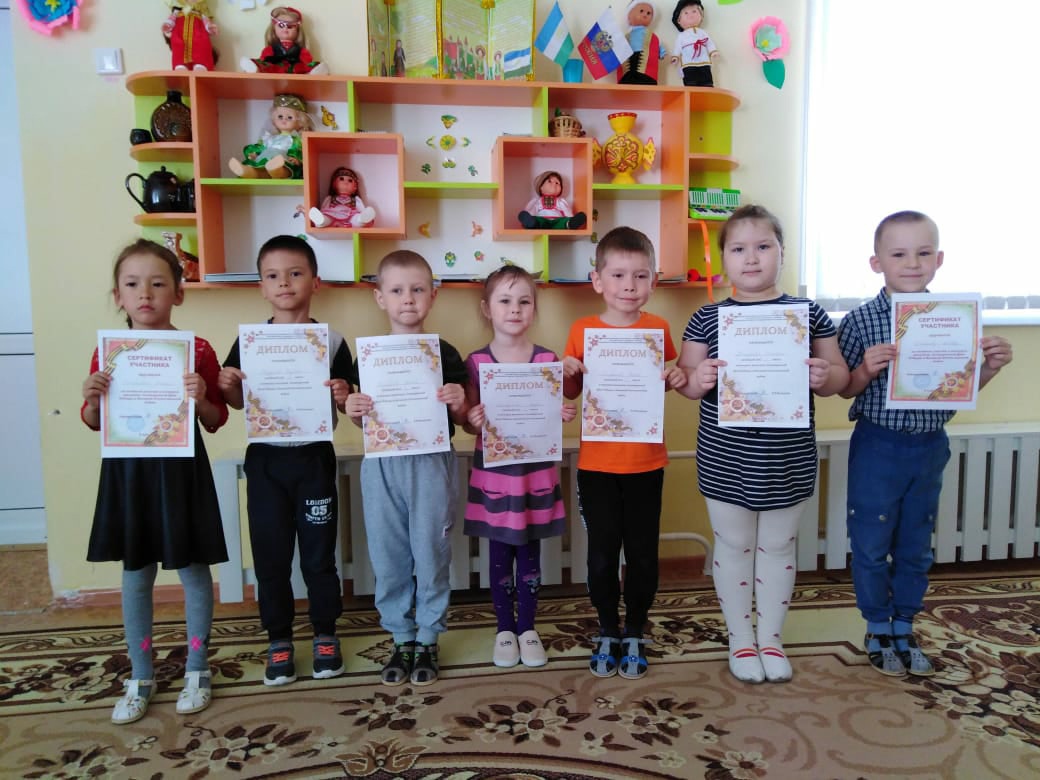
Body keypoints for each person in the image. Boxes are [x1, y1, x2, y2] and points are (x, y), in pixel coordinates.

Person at [677, 205, 849, 684]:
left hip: (787, 457)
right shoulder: (707, 317)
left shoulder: (808, 315)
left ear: (782, 252)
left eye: (763, 246)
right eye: (738, 249)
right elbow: (685, 381)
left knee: (778, 546)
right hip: (725, 457)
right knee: (732, 545)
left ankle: (770, 638)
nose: (751, 258)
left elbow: (839, 377)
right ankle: (740, 639)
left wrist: (825, 375)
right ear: (723, 260)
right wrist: (698, 378)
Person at [837, 210, 1013, 678]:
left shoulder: (956, 319)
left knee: (916, 542)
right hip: (877, 445)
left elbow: (960, 388)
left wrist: (990, 367)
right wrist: (866, 369)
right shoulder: (859, 321)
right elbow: (844, 389)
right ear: (877, 263)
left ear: (939, 259)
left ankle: (904, 625)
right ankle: (876, 626)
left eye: (922, 253)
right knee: (871, 540)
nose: (911, 263)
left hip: (930, 445)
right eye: (898, 254)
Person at [81, 238, 229, 724]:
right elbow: (94, 421)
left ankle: (197, 668)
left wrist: (201, 397)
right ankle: (141, 674)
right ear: (118, 295)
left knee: (193, 569)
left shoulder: (197, 350)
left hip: (182, 471)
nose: (145, 293)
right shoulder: (108, 353)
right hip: (130, 474)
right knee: (136, 570)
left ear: (178, 293)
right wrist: (92, 399)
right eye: (132, 284)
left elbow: (216, 420)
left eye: (158, 283)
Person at [217, 235, 352, 687]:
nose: (284, 283)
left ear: (315, 281)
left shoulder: (332, 341)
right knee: (270, 556)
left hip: (314, 458)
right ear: (261, 286)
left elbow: (348, 400)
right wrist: (229, 384)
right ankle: (278, 638)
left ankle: (325, 634)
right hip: (266, 461)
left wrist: (343, 392)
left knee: (319, 555)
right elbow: (237, 402)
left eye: (295, 273)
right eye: (273, 275)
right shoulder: (249, 341)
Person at [563, 226, 687, 680]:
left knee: (642, 554)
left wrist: (674, 378)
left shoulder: (658, 329)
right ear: (597, 280)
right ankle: (606, 628)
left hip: (646, 463)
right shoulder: (583, 330)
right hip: (597, 467)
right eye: (617, 275)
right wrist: (568, 370)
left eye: (640, 275)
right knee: (601, 555)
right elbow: (571, 393)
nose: (629, 286)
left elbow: (658, 383)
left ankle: (634, 628)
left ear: (654, 280)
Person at [344, 250, 470, 686]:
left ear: (433, 295)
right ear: (380, 298)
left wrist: (459, 401)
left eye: (418, 289)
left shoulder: (444, 354)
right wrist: (354, 410)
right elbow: (363, 419)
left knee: (431, 551)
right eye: (397, 290)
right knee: (389, 554)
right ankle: (401, 636)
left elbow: (462, 417)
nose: (408, 298)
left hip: (431, 462)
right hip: (382, 465)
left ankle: (429, 637)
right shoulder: (368, 355)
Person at [462, 266, 577, 669]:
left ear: (534, 308)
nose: (515, 309)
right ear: (487, 309)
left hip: (535, 476)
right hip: (496, 477)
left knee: (530, 555)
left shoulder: (547, 360)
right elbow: (467, 420)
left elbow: (552, 412)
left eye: (524, 301)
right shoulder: (476, 361)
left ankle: (527, 627)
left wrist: (561, 413)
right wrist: (471, 418)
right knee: (498, 556)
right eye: (505, 301)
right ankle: (504, 630)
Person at [228, 94, 313, 180]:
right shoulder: (269, 138)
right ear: (274, 120)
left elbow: (298, 150)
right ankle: (245, 171)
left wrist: (296, 159)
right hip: (265, 158)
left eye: (290, 117)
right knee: (259, 168)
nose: (284, 120)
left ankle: (275, 170)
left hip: (284, 161)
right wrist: (255, 154)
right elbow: (261, 147)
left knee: (284, 168)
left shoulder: (295, 139)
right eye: (280, 116)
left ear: (300, 122)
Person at [240, 6, 328, 75]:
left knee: (311, 65)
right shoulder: (270, 49)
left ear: (297, 31)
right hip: (275, 69)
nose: (285, 29)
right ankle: (253, 68)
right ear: (274, 28)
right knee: (261, 64)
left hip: (294, 70)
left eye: (290, 26)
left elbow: (307, 62)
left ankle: (313, 73)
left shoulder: (302, 51)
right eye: (281, 25)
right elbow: (264, 60)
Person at [306, 166, 376, 228]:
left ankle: (362, 220)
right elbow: (324, 209)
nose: (346, 182)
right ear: (334, 184)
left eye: (350, 180)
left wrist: (363, 214)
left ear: (355, 187)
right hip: (332, 215)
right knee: (327, 218)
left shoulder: (356, 199)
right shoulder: (330, 198)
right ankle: (321, 220)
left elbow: (361, 210)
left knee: (356, 218)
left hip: (351, 218)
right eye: (341, 179)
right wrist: (322, 215)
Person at [670, 0, 719, 87]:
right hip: (688, 63)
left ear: (701, 16)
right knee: (690, 82)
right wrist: (675, 56)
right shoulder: (681, 35)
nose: (690, 15)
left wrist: (713, 51)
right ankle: (691, 89)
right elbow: (678, 47)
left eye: (694, 11)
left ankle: (707, 88)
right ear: (679, 20)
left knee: (707, 81)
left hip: (704, 61)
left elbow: (709, 42)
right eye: (686, 13)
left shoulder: (702, 32)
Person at [518, 171, 587, 231]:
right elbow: (533, 209)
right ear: (540, 187)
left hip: (557, 221)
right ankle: (532, 224)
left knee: (563, 222)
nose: (554, 184)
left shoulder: (561, 201)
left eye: (557, 183)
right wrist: (530, 217)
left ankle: (570, 223)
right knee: (537, 220)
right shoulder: (536, 201)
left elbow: (566, 210)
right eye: (549, 181)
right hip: (542, 220)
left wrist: (570, 218)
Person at [619, 2, 667, 85]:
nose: (645, 15)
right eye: (641, 11)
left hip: (646, 65)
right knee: (627, 78)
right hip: (629, 61)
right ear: (629, 15)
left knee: (646, 79)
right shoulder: (625, 37)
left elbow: (656, 46)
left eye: (648, 13)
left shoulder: (652, 36)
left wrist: (662, 52)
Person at [162, 0, 217, 72]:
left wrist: (210, 27)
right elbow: (171, 20)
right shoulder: (177, 11)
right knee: (179, 48)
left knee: (202, 45)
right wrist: (167, 25)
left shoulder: (200, 11)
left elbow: (206, 22)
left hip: (199, 34)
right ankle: (180, 65)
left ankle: (201, 64)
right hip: (180, 35)